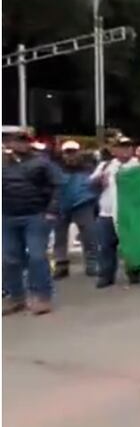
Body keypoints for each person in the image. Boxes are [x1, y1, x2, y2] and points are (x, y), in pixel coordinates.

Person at [3, 131, 61, 315]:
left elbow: (57, 186)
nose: (20, 144)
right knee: (9, 258)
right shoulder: (3, 163)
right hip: (8, 216)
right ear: (10, 143)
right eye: (16, 141)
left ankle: (42, 296)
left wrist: (52, 210)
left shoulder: (42, 163)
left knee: (37, 256)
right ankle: (15, 297)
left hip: (36, 215)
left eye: (24, 141)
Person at [90, 135, 140, 288]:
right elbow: (90, 184)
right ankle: (106, 275)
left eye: (128, 146)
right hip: (106, 212)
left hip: (131, 213)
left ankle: (134, 272)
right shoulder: (105, 166)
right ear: (114, 150)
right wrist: (98, 181)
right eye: (121, 147)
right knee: (105, 245)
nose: (125, 150)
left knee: (132, 244)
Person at [53, 140, 101, 279]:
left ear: (79, 153)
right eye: (68, 152)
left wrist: (93, 200)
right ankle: (61, 265)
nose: (71, 155)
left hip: (83, 204)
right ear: (63, 154)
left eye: (73, 152)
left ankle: (92, 264)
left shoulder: (89, 168)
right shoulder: (55, 169)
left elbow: (97, 184)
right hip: (61, 205)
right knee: (59, 237)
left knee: (89, 236)